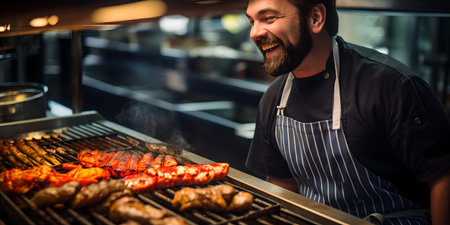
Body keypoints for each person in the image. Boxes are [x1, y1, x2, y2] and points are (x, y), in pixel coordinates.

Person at [244, 0, 450, 224]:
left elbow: (443, 178)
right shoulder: (273, 99)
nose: (255, 32)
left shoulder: (391, 85)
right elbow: (282, 184)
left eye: (269, 18)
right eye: (252, 21)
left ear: (315, 18)